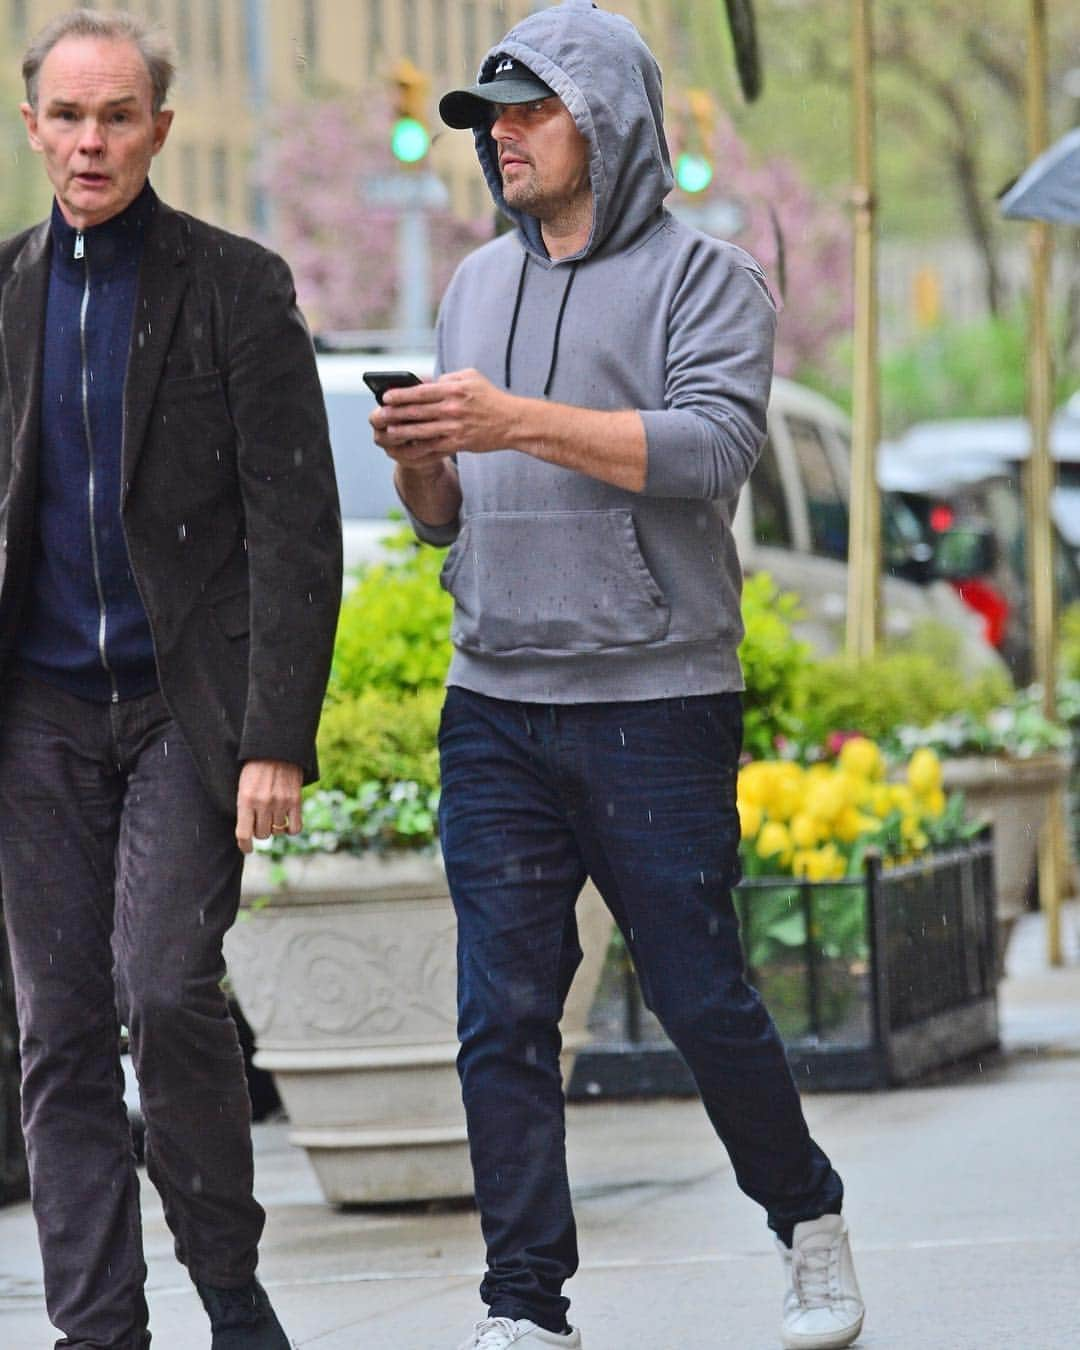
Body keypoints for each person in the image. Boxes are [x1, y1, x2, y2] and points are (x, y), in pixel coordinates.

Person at [371, 4, 865, 1349]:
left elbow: (710, 449)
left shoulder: (709, 279)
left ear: (608, 120)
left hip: (656, 696)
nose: (504, 140)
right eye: (488, 120)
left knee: (704, 996)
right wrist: (422, 454)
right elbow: (444, 511)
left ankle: (806, 1217)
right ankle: (526, 1302)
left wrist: (507, 418)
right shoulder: (474, 283)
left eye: (529, 112)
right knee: (501, 1017)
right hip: (497, 699)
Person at [0, 9, 341, 1348]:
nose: (92, 141)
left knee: (162, 985)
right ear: (34, 126)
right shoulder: (7, 291)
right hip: (33, 713)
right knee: (60, 1029)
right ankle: (99, 1327)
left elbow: (296, 529)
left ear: (159, 128)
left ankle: (228, 1284)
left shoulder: (235, 287)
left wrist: (277, 737)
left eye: (117, 115)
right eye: (69, 117)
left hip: (182, 718)